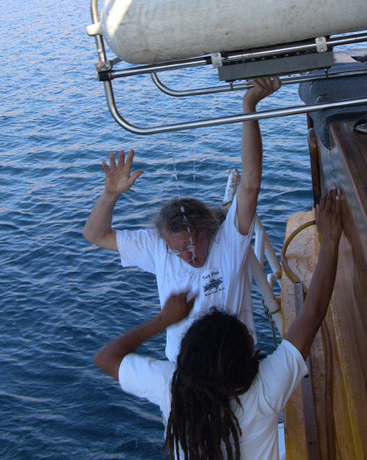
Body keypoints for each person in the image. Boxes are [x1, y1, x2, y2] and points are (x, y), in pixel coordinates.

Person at [94, 188, 343, 459]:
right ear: (246, 347)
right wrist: (330, 240)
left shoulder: (172, 389)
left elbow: (106, 357)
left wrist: (163, 320)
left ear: (186, 353)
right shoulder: (263, 389)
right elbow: (314, 312)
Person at [83, 76, 281, 361]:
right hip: (184, 373)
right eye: (177, 251)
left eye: (191, 245)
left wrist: (248, 106)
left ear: (208, 230)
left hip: (236, 365)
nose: (187, 256)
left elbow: (250, 185)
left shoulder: (230, 238)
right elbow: (95, 235)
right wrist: (109, 194)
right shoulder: (158, 246)